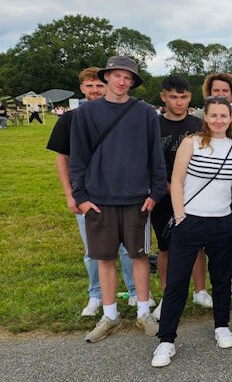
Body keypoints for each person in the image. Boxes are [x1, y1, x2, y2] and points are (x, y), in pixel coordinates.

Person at [69, 55, 166, 341]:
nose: (122, 81)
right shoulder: (86, 113)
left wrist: (156, 193)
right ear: (107, 77)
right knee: (105, 259)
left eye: (128, 78)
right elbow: (78, 158)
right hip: (99, 199)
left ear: (133, 82)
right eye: (118, 75)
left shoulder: (145, 112)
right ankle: (109, 316)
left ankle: (142, 313)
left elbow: (155, 157)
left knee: (139, 257)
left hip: (137, 199)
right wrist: (81, 197)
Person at [150, 96, 232, 367]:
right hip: (189, 221)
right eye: (213, 115)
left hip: (223, 223)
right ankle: (166, 341)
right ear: (205, 117)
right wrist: (180, 216)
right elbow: (177, 182)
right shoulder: (190, 143)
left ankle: (222, 326)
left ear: (230, 119)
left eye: (223, 116)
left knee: (222, 280)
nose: (218, 120)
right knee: (177, 284)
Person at [46, 67, 137, 317]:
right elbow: (62, 158)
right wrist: (70, 194)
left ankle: (134, 292)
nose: (95, 90)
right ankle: (96, 294)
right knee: (93, 250)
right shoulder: (71, 118)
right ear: (81, 89)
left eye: (99, 85)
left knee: (129, 248)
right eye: (89, 86)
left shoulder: (123, 114)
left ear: (107, 84)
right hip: (87, 194)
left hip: (121, 193)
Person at [149, 76, 212, 320]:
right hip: (163, 194)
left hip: (194, 195)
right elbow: (148, 162)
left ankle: (200, 290)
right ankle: (167, 295)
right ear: (163, 97)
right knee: (165, 247)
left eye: (183, 96)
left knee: (197, 245)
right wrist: (168, 187)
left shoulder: (198, 125)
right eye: (173, 97)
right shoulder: (153, 125)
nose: (179, 102)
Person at [201, 71, 232, 295]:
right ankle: (202, 286)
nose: (220, 94)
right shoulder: (203, 120)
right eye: (216, 91)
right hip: (202, 192)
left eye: (224, 91)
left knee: (231, 235)